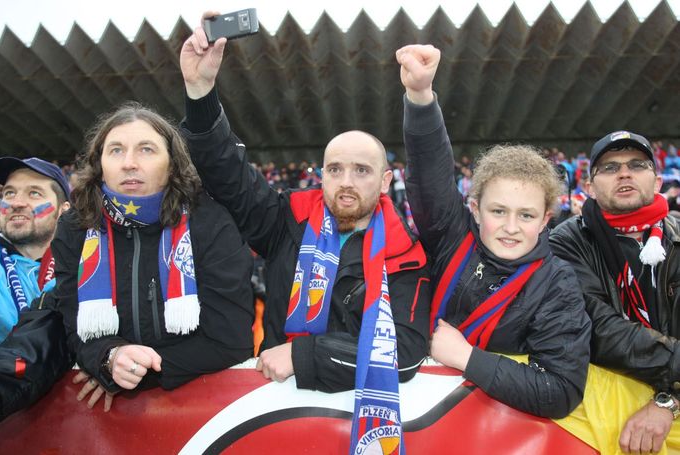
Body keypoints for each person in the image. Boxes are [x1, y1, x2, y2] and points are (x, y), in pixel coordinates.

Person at [178, 19, 431, 394]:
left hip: (357, 420)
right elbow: (228, 174)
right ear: (323, 175)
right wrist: (200, 91)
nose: (346, 181)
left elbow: (405, 353)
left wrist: (303, 354)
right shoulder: (286, 220)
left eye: (361, 170)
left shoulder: (406, 254)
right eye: (335, 169)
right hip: (273, 407)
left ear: (384, 182)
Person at [396, 44, 591, 419]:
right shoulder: (452, 235)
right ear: (474, 208)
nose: (512, 228)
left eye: (527, 215)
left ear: (547, 218)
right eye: (498, 211)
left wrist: (467, 358)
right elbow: (431, 175)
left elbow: (562, 390)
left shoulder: (557, 283)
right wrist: (420, 97)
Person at [51, 102, 254, 411]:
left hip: (195, 407)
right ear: (99, 163)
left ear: (172, 164)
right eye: (116, 150)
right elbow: (72, 326)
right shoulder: (74, 227)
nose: (129, 163)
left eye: (146, 150)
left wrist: (137, 373)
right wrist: (108, 357)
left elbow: (231, 341)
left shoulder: (210, 222)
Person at [550, 130, 680, 453]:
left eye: (637, 165)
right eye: (609, 168)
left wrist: (669, 401)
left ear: (657, 181)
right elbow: (600, 331)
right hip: (604, 406)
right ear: (589, 188)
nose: (624, 172)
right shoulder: (566, 242)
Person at [0, 157, 71, 344]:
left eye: (34, 193)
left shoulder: (89, 264)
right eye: (9, 193)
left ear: (63, 211)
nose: (17, 203)